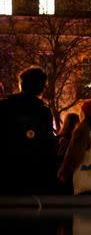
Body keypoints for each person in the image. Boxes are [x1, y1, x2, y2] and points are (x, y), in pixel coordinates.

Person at [0, 67, 56, 195]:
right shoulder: (43, 111)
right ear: (41, 87)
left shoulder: (4, 106)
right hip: (34, 172)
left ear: (21, 85)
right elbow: (47, 145)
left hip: (7, 171)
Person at [57, 99, 91, 195]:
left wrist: (65, 172)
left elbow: (74, 154)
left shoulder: (82, 129)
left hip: (83, 174)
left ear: (86, 113)